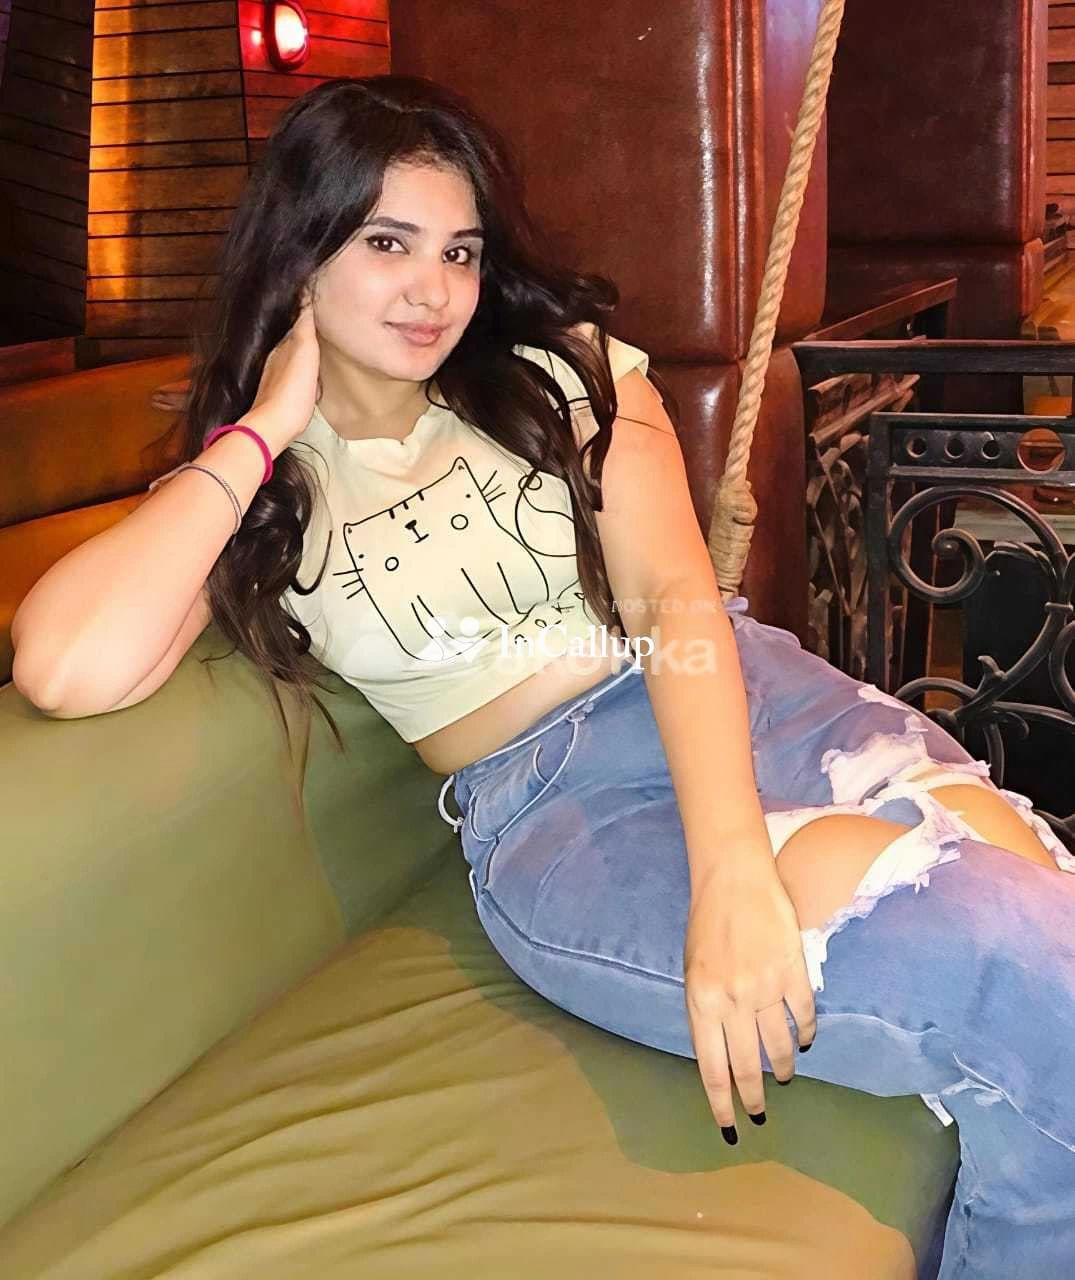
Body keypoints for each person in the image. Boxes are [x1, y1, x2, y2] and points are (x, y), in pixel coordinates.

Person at [10, 74, 1075, 1279]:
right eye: (386, 243)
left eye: (458, 250)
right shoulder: (269, 487)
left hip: (742, 694)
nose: (433, 288)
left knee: (1040, 899)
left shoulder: (557, 373)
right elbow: (65, 663)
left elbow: (673, 600)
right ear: (300, 252)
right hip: (569, 807)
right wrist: (261, 425)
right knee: (1016, 963)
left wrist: (732, 866)